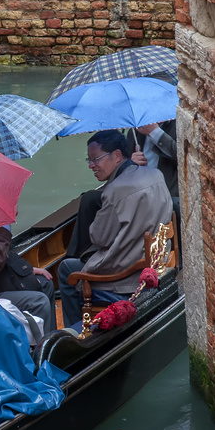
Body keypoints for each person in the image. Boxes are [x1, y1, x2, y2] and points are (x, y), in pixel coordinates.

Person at [58, 129, 173, 327]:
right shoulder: (156, 175)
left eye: (96, 159)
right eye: (89, 160)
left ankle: (76, 331)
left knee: (66, 269)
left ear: (117, 155)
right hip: (158, 262)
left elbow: (99, 238)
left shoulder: (114, 190)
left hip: (128, 274)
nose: (91, 165)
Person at [0, 225, 57, 332]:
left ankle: (52, 341)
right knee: (39, 301)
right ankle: (43, 346)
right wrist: (4, 226)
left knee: (44, 282)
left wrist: (25, 269)